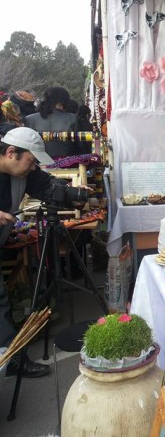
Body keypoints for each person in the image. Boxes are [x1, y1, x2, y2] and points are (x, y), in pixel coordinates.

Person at [0, 127, 56, 377]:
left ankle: (9, 359)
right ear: (11, 152)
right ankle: (11, 361)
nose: (33, 167)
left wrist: (72, 194)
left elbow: (46, 186)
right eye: (31, 161)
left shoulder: (23, 173)